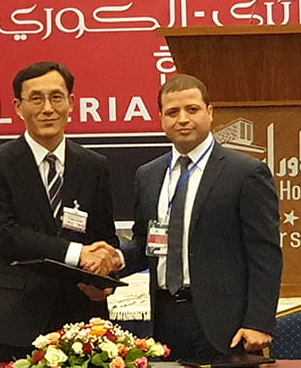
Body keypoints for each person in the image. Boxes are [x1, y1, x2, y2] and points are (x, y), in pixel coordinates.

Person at [121, 74, 283, 360]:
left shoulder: (245, 173)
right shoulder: (147, 175)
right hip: (165, 320)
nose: (182, 119)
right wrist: (111, 263)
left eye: (192, 109)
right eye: (172, 112)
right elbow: (145, 242)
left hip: (226, 326)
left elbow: (265, 253)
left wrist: (258, 321)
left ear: (210, 112)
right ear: (161, 119)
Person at [0, 61, 121, 362]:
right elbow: (4, 234)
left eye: (56, 97)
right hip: (19, 319)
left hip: (83, 319)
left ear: (71, 103)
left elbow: (104, 237)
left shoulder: (94, 166)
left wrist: (105, 278)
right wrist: (77, 253)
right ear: (18, 107)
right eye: (36, 99)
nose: (48, 109)